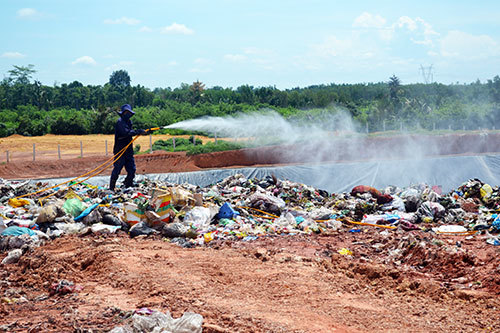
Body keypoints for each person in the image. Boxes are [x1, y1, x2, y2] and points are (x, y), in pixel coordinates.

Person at [109, 104, 147, 191]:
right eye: (126, 112)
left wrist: (140, 132)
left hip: (128, 149)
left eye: (129, 112)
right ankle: (111, 187)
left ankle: (128, 185)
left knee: (132, 169)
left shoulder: (129, 122)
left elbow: (130, 132)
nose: (128, 114)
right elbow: (125, 133)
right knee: (117, 169)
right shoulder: (120, 122)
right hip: (120, 150)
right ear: (123, 113)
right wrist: (138, 132)